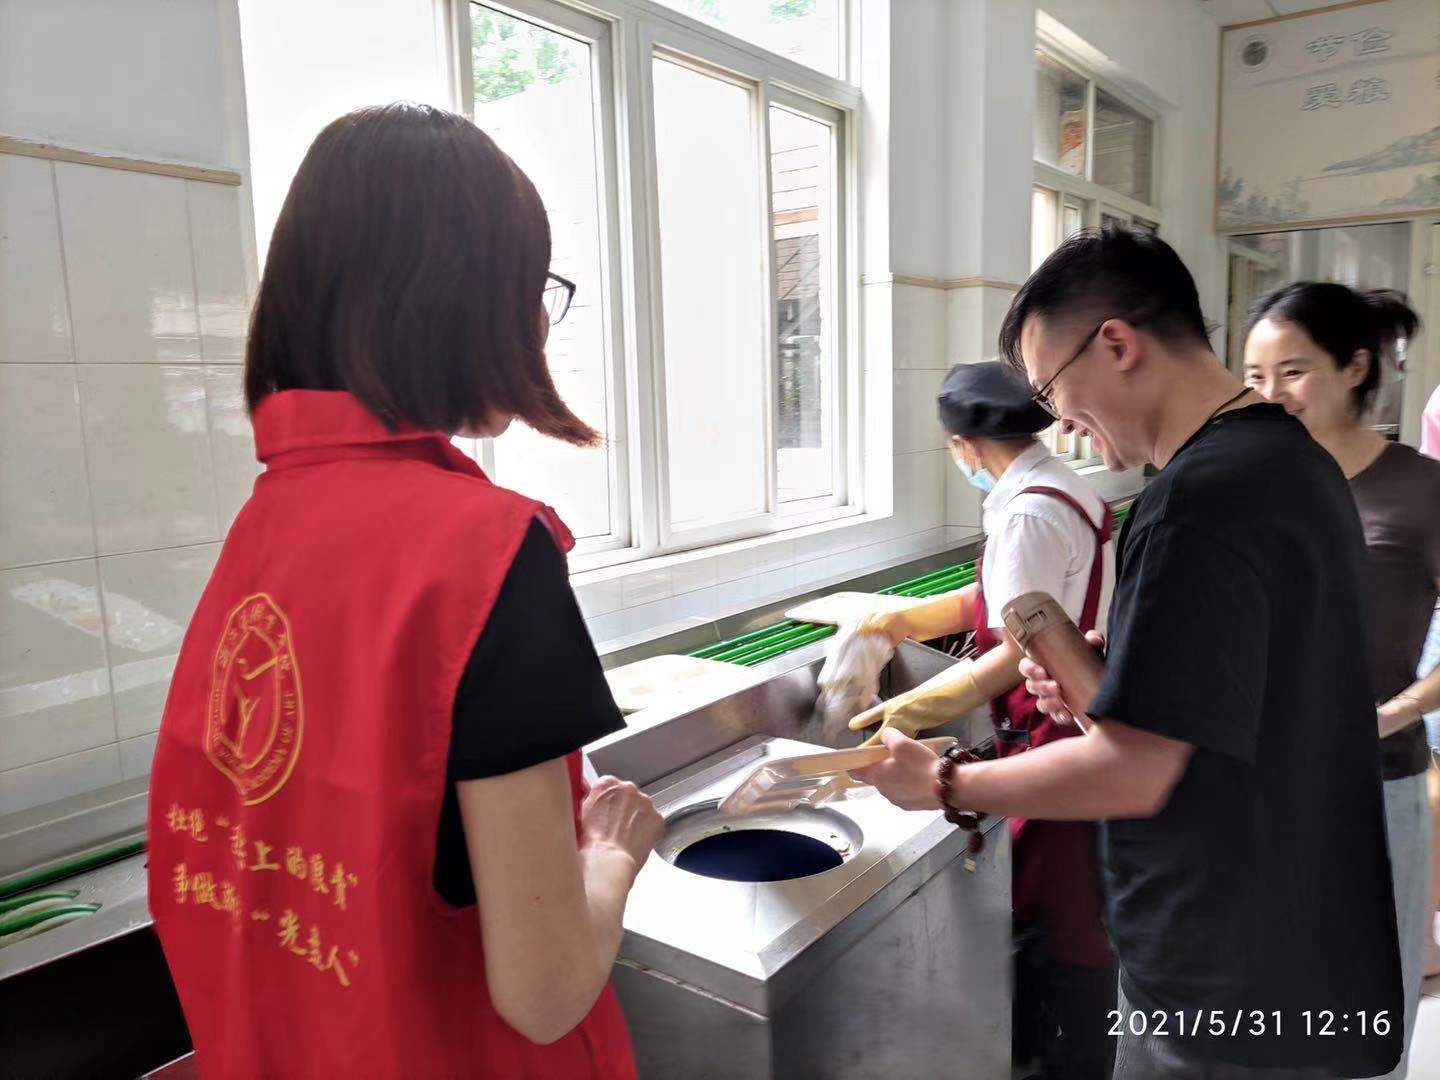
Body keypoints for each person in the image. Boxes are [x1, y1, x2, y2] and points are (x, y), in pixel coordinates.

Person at [146, 104, 662, 1078]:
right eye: (532, 286)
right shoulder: (487, 552)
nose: (537, 319)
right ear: (461, 300)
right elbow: (547, 992)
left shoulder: (265, 525)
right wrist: (612, 854)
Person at [857, 224, 1403, 1078]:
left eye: (1052, 390)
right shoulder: (1289, 460)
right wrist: (1119, 675)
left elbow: (1134, 773)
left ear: (1116, 343)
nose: (1060, 423)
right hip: (1297, 944)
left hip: (1224, 982)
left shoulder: (1197, 500)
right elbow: (1236, 703)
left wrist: (943, 783)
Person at [820, 361, 1116, 1079]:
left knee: (1063, 916)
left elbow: (1017, 653)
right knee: (1059, 905)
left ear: (966, 446)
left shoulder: (1028, 514)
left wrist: (903, 708)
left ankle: (1070, 1059)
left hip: (1055, 729)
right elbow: (994, 596)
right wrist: (896, 621)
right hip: (1068, 716)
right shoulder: (1055, 486)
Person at [1244, 283, 1440, 1077]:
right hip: (1256, 785)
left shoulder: (1421, 490)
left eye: (1292, 372)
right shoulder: (1252, 486)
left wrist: (1391, 715)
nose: (1271, 395)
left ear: (1355, 367)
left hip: (1375, 785)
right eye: (1255, 377)